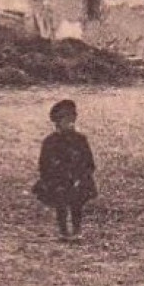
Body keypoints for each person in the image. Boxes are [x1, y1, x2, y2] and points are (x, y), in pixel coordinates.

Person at [34, 99, 97, 241]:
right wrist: (58, 176)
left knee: (77, 203)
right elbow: (44, 165)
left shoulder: (81, 140)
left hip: (78, 178)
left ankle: (77, 229)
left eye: (72, 119)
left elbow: (89, 162)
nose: (70, 123)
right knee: (61, 201)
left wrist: (81, 176)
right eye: (65, 120)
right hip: (58, 180)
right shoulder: (50, 142)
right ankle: (63, 230)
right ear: (57, 122)